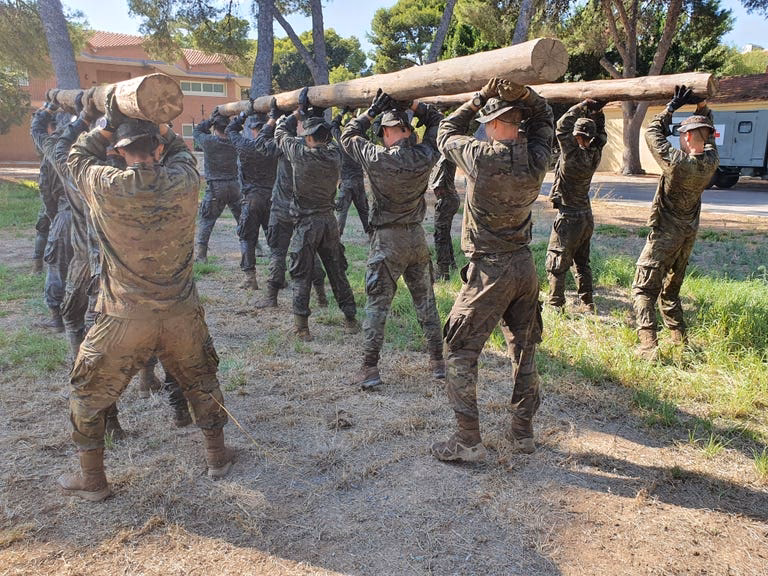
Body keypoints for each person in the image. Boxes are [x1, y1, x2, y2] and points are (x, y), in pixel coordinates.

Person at [60, 92, 234, 502]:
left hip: (124, 316)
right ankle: (217, 457)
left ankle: (94, 480)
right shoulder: (185, 180)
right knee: (202, 381)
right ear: (156, 147)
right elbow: (182, 152)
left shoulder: (105, 185)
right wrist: (160, 125)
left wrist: (106, 122)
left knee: (88, 393)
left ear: (119, 153)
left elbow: (77, 157)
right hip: (180, 312)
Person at [430, 77, 553, 462]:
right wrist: (527, 97)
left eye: (488, 120)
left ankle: (467, 441)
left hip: (490, 269)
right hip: (524, 266)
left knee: (459, 351)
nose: (483, 126)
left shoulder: (481, 156)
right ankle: (522, 433)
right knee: (524, 350)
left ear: (498, 123)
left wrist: (479, 96)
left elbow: (446, 131)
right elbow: (545, 117)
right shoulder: (537, 158)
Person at [340, 90, 445, 390]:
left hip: (387, 241)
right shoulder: (424, 156)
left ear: (386, 133)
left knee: (377, 306)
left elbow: (349, 135)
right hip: (416, 237)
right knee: (426, 302)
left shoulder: (376, 158)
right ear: (408, 131)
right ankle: (437, 362)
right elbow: (437, 122)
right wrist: (413, 105)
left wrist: (370, 111)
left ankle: (369, 368)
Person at [632, 85, 719, 360]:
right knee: (671, 289)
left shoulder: (678, 163)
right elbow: (710, 134)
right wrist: (701, 107)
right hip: (687, 234)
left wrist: (671, 107)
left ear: (689, 136)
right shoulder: (712, 160)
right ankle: (679, 337)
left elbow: (651, 133)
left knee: (643, 288)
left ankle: (648, 346)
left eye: (682, 135)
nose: (679, 140)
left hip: (665, 235)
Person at [273, 90, 359, 341]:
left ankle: (302, 327)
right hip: (329, 223)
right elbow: (329, 137)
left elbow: (281, 134)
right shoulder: (334, 155)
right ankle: (351, 317)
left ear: (309, 138)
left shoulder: (300, 154)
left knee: (301, 275)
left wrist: (297, 113)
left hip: (306, 224)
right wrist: (321, 118)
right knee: (337, 272)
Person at [252, 100, 328, 310]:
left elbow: (260, 144)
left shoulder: (286, 144)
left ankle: (271, 297)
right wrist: (312, 114)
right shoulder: (310, 146)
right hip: (305, 210)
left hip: (282, 208)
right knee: (309, 252)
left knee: (277, 252)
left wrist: (275, 117)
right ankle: (321, 295)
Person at [545, 99, 608, 312]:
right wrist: (598, 113)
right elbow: (602, 136)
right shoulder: (594, 152)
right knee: (582, 262)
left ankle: (555, 304)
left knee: (557, 261)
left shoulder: (571, 153)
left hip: (569, 217)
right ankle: (587, 302)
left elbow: (562, 125)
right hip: (585, 217)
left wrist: (582, 105)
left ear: (577, 136)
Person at [226, 110, 278, 290]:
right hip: (272, 198)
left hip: (252, 199)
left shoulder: (245, 146)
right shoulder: (276, 147)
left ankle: (250, 278)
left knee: (247, 238)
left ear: (255, 130)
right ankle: (277, 276)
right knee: (275, 240)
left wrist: (242, 114)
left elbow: (230, 130)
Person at [29, 106, 70, 333]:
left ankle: (56, 318)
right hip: (92, 217)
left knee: (56, 267)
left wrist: (47, 107)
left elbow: (45, 188)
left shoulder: (51, 146)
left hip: (64, 214)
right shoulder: (91, 145)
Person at [193, 111, 241, 263]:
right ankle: (255, 248)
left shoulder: (209, 142)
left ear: (215, 128)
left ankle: (201, 255)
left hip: (216, 187)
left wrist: (209, 120)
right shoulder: (235, 141)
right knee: (243, 220)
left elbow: (197, 131)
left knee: (207, 220)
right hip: (235, 185)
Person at [330, 109, 370, 236]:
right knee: (364, 213)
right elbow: (362, 128)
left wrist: (343, 112)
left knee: (341, 214)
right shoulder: (361, 141)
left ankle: (336, 238)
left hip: (346, 182)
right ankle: (371, 236)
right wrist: (355, 117)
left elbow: (333, 125)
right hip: (359, 182)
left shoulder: (343, 140)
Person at [430, 155, 460, 281]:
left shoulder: (444, 158)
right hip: (449, 199)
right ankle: (451, 265)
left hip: (446, 200)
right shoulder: (444, 156)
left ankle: (443, 272)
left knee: (441, 236)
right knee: (445, 234)